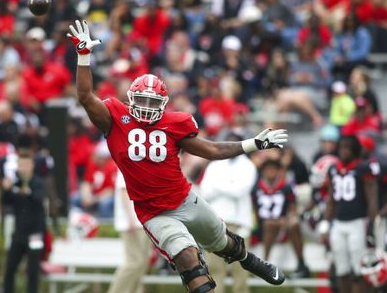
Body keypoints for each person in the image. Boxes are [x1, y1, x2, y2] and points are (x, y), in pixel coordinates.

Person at [67, 20, 287, 293]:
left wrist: (253, 143)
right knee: (188, 258)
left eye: (152, 102)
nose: (146, 108)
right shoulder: (115, 117)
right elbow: (86, 96)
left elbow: (213, 150)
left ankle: (248, 260)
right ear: (130, 99)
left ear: (164, 104)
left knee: (223, 243)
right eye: (142, 101)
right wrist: (83, 56)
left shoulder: (175, 123)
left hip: (185, 199)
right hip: (154, 213)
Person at [318, 135, 379, 293]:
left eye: (348, 148)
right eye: (342, 147)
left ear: (355, 150)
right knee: (342, 270)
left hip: (357, 222)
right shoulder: (333, 169)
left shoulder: (362, 168)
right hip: (338, 223)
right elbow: (331, 199)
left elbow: (371, 198)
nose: (344, 151)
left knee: (359, 270)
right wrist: (325, 223)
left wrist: (371, 224)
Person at [199, 132, 256, 293]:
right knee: (215, 268)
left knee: (241, 269)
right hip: (216, 222)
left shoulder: (248, 165)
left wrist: (217, 185)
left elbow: (240, 190)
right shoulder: (214, 165)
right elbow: (205, 191)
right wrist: (229, 185)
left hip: (239, 223)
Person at [252, 159, 310, 278]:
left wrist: (288, 218)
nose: (271, 172)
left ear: (278, 171)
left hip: (282, 227)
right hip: (262, 228)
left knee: (294, 224)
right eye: (268, 169)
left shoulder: (286, 187)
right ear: (262, 171)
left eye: (273, 169)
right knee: (269, 224)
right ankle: (265, 265)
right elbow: (253, 210)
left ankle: (301, 264)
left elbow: (293, 208)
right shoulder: (256, 188)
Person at [1, 151, 47, 293]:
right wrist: (6, 190)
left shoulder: (39, 183)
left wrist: (27, 191)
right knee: (9, 269)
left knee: (33, 271)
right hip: (19, 232)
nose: (22, 168)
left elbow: (39, 201)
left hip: (35, 234)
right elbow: (6, 202)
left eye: (25, 165)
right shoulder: (16, 183)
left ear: (32, 165)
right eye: (20, 165)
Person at [107, 171, 154, 293]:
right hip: (132, 224)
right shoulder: (125, 162)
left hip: (143, 222)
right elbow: (123, 192)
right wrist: (130, 219)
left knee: (142, 263)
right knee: (134, 262)